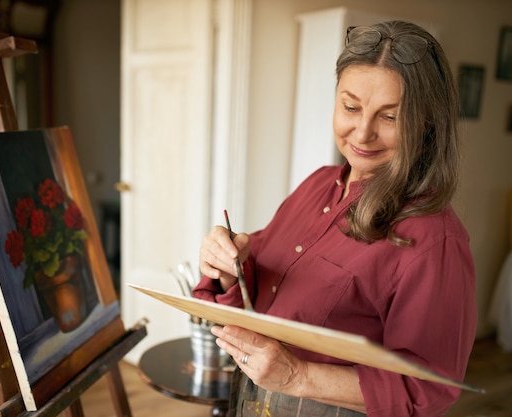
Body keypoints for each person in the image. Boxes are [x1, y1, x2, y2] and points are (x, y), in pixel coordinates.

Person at [193, 20, 477, 417]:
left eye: (390, 117)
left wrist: (297, 376)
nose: (362, 133)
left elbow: (428, 387)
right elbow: (262, 282)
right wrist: (226, 266)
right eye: (350, 107)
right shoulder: (319, 184)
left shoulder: (433, 239)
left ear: (427, 123)